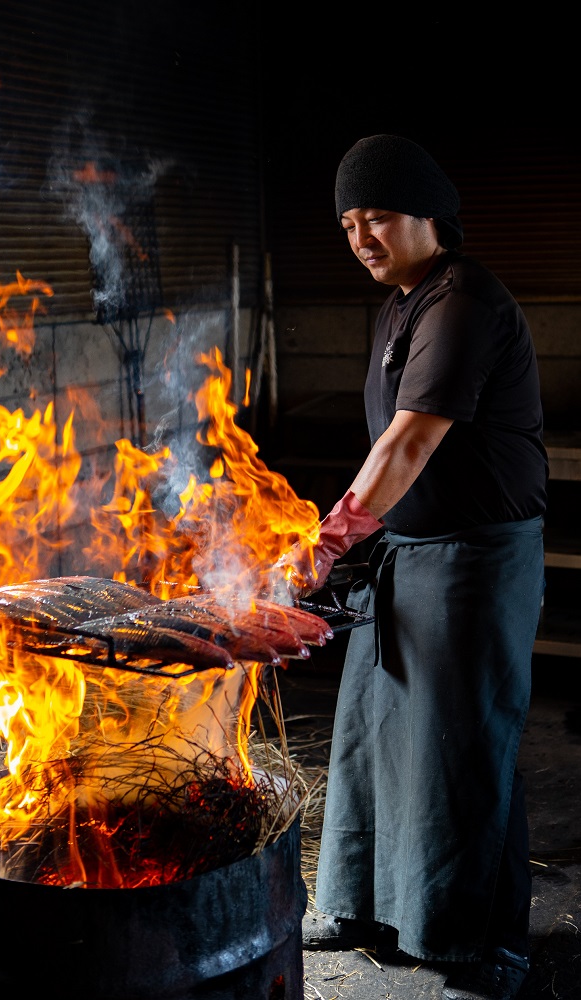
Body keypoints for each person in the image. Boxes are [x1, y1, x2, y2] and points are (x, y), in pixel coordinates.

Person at [288, 134, 548, 1000]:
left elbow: (408, 441)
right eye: (349, 222)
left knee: (462, 744)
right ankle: (362, 908)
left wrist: (326, 541)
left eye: (380, 218)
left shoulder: (462, 300)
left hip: (474, 561)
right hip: (407, 553)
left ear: (429, 216)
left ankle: (474, 938)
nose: (362, 236)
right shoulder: (401, 299)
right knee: (370, 735)